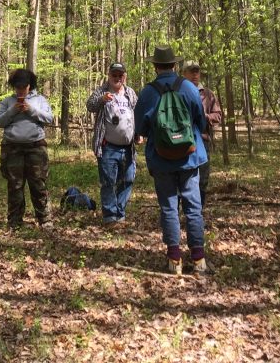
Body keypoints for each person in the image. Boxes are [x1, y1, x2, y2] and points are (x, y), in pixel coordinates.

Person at [135, 45, 208, 274]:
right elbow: (200, 120)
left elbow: (141, 128)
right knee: (193, 207)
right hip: (190, 156)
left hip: (161, 158)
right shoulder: (188, 87)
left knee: (168, 207)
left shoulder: (148, 92)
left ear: (155, 66)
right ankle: (198, 260)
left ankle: (174, 259)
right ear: (174, 65)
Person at [0, 68, 54, 230]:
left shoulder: (40, 100)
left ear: (30, 85)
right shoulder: (7, 102)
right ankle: (15, 222)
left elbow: (49, 118)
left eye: (24, 86)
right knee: (15, 186)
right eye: (18, 87)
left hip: (36, 148)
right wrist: (13, 110)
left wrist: (31, 110)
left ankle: (45, 220)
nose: (21, 90)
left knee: (38, 184)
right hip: (12, 149)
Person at [86, 62, 138, 227]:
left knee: (127, 179)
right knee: (108, 181)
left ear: (124, 76)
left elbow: (138, 114)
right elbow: (90, 106)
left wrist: (139, 134)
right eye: (114, 75)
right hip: (108, 146)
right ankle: (110, 217)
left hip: (128, 147)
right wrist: (102, 99)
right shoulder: (102, 91)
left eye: (120, 75)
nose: (117, 78)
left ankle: (120, 214)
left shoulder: (130, 93)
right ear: (109, 76)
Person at [182, 61, 223, 210]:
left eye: (197, 71)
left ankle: (198, 211)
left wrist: (205, 117)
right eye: (191, 71)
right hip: (183, 142)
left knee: (203, 178)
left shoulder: (207, 94)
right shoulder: (179, 92)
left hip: (202, 141)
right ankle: (184, 210)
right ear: (183, 73)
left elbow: (218, 115)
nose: (194, 75)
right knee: (184, 177)